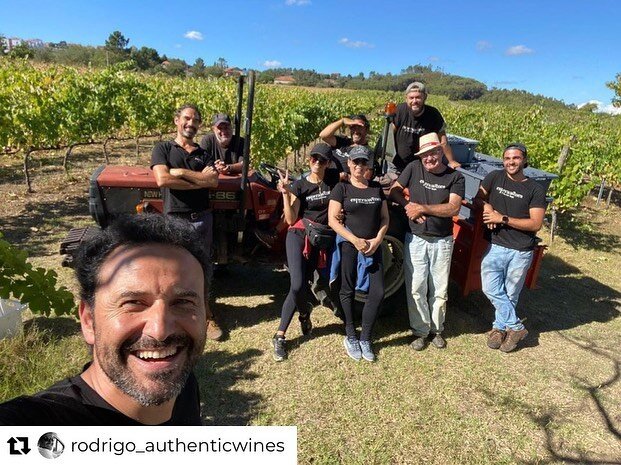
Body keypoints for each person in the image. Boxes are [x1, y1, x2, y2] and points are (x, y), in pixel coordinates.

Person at [0, 214, 210, 425]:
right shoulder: (38, 423)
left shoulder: (181, 383)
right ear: (89, 320)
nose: (160, 330)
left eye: (183, 302)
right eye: (133, 303)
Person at [150, 104, 223, 341]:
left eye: (196, 120)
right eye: (187, 118)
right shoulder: (162, 148)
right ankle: (172, 318)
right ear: (177, 120)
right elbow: (162, 179)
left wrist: (180, 173)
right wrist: (198, 179)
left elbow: (212, 182)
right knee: (172, 271)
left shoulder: (203, 153)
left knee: (202, 268)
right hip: (175, 219)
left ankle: (207, 316)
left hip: (202, 218)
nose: (191, 124)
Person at [389, 133, 465, 350]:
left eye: (433, 153)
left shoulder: (455, 178)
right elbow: (394, 190)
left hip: (442, 241)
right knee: (416, 287)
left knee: (439, 289)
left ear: (441, 152)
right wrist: (407, 206)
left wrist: (422, 207)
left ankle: (437, 330)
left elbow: (454, 208)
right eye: (425, 155)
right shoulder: (414, 168)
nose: (429, 158)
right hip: (416, 239)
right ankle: (421, 331)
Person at [271, 143, 340, 361]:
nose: (317, 163)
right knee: (298, 284)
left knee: (305, 284)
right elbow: (290, 219)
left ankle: (304, 313)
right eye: (314, 158)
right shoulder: (300, 185)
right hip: (299, 236)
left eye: (322, 160)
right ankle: (280, 334)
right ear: (309, 159)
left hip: (320, 241)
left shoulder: (334, 182)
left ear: (328, 163)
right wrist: (285, 193)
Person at [476, 143, 546, 353]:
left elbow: (535, 223)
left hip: (521, 250)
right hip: (496, 245)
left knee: (510, 293)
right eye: (507, 158)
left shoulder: (535, 189)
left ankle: (499, 329)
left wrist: (502, 218)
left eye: (515, 158)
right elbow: (479, 197)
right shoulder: (495, 177)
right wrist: (487, 206)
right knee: (490, 288)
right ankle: (516, 327)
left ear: (524, 160)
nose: (511, 162)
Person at [328, 145, 389, 362]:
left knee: (379, 292)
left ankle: (365, 337)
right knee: (347, 289)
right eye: (356, 162)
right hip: (349, 245)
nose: (359, 166)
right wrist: (354, 240)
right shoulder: (341, 189)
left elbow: (384, 218)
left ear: (368, 166)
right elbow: (333, 220)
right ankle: (351, 334)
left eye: (364, 162)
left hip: (373, 246)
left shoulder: (376, 189)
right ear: (349, 164)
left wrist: (378, 239)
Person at [393, 82, 459, 172]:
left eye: (418, 97)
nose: (414, 101)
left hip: (422, 163)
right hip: (398, 162)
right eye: (411, 98)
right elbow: (389, 134)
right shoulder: (400, 110)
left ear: (425, 97)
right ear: (406, 98)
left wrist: (451, 161)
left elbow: (443, 141)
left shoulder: (433, 114)